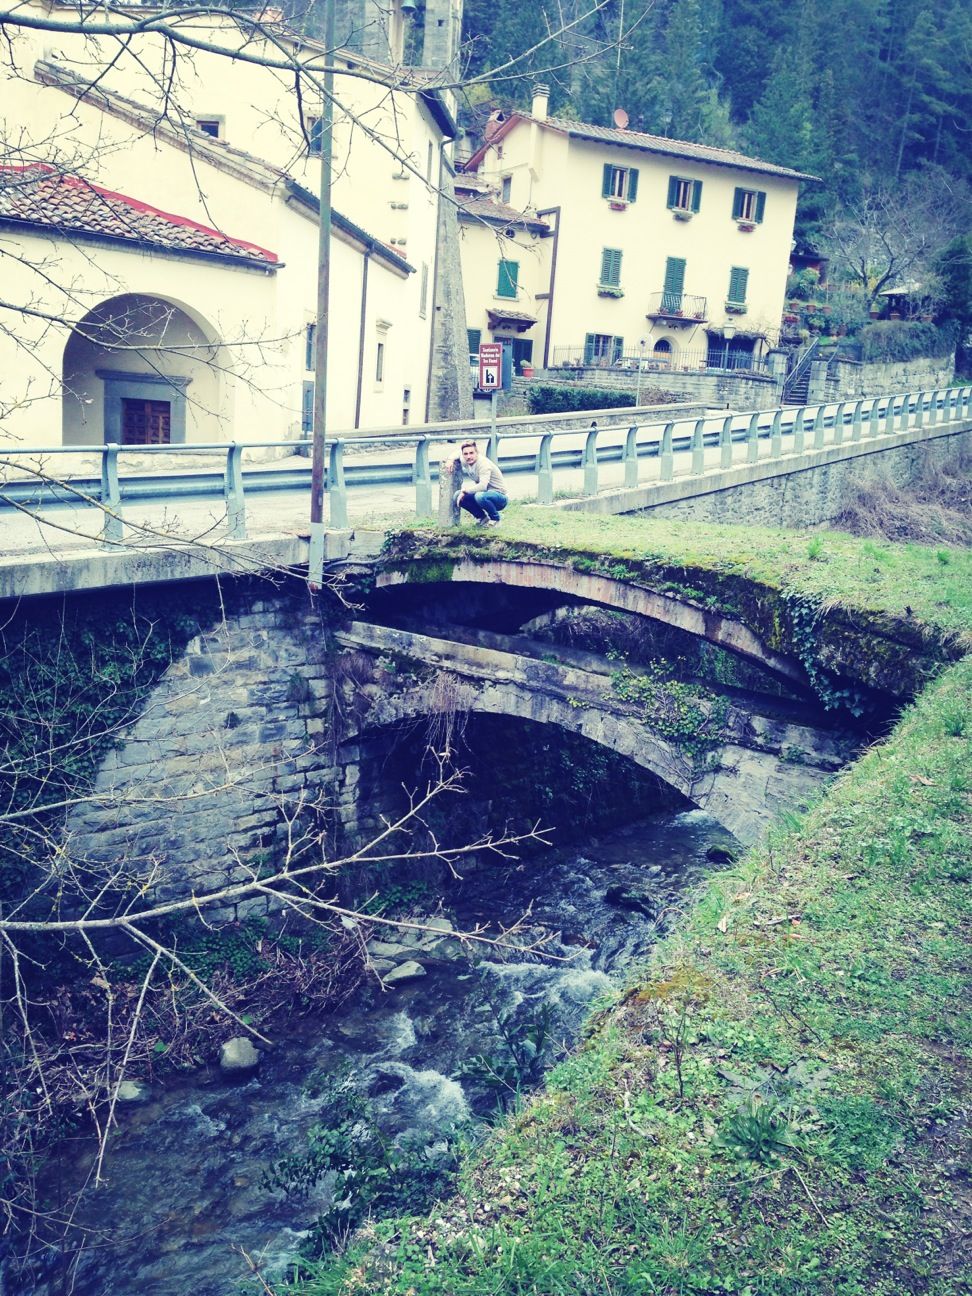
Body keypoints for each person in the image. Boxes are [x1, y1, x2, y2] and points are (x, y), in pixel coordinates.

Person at [453, 440, 508, 526]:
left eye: (471, 453)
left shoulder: (483, 463)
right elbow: (457, 453)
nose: (468, 456)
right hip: (485, 494)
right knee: (457, 495)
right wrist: (449, 460)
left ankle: (496, 519)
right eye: (466, 454)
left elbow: (483, 486)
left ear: (477, 453)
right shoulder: (465, 460)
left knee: (479, 496)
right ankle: (482, 518)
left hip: (499, 497)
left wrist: (465, 491)